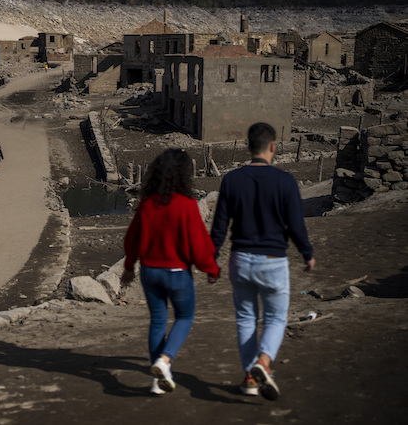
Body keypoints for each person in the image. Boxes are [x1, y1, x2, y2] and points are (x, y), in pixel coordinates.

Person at [210, 122, 315, 401]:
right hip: (273, 261)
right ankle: (264, 362)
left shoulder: (231, 180)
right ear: (273, 147)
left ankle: (249, 378)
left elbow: (219, 226)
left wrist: (211, 260)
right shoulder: (285, 182)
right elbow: (295, 225)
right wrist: (307, 253)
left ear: (248, 147)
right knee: (276, 317)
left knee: (246, 319)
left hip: (240, 260)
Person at [121, 149, 220, 395]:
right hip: (176, 272)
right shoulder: (186, 206)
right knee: (184, 317)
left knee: (157, 320)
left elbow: (131, 239)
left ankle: (158, 380)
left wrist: (128, 268)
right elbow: (198, 245)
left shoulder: (146, 204)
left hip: (149, 271)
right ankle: (165, 360)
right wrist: (211, 268)